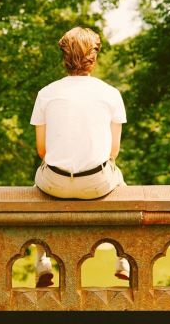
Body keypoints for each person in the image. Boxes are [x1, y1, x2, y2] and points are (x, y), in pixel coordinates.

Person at [30, 26, 129, 287]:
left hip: (54, 183)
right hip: (97, 184)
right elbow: (113, 152)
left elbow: (42, 151)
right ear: (94, 58)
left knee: (37, 186)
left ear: (64, 57)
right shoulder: (111, 94)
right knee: (120, 181)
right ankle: (123, 259)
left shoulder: (46, 93)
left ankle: (42, 262)